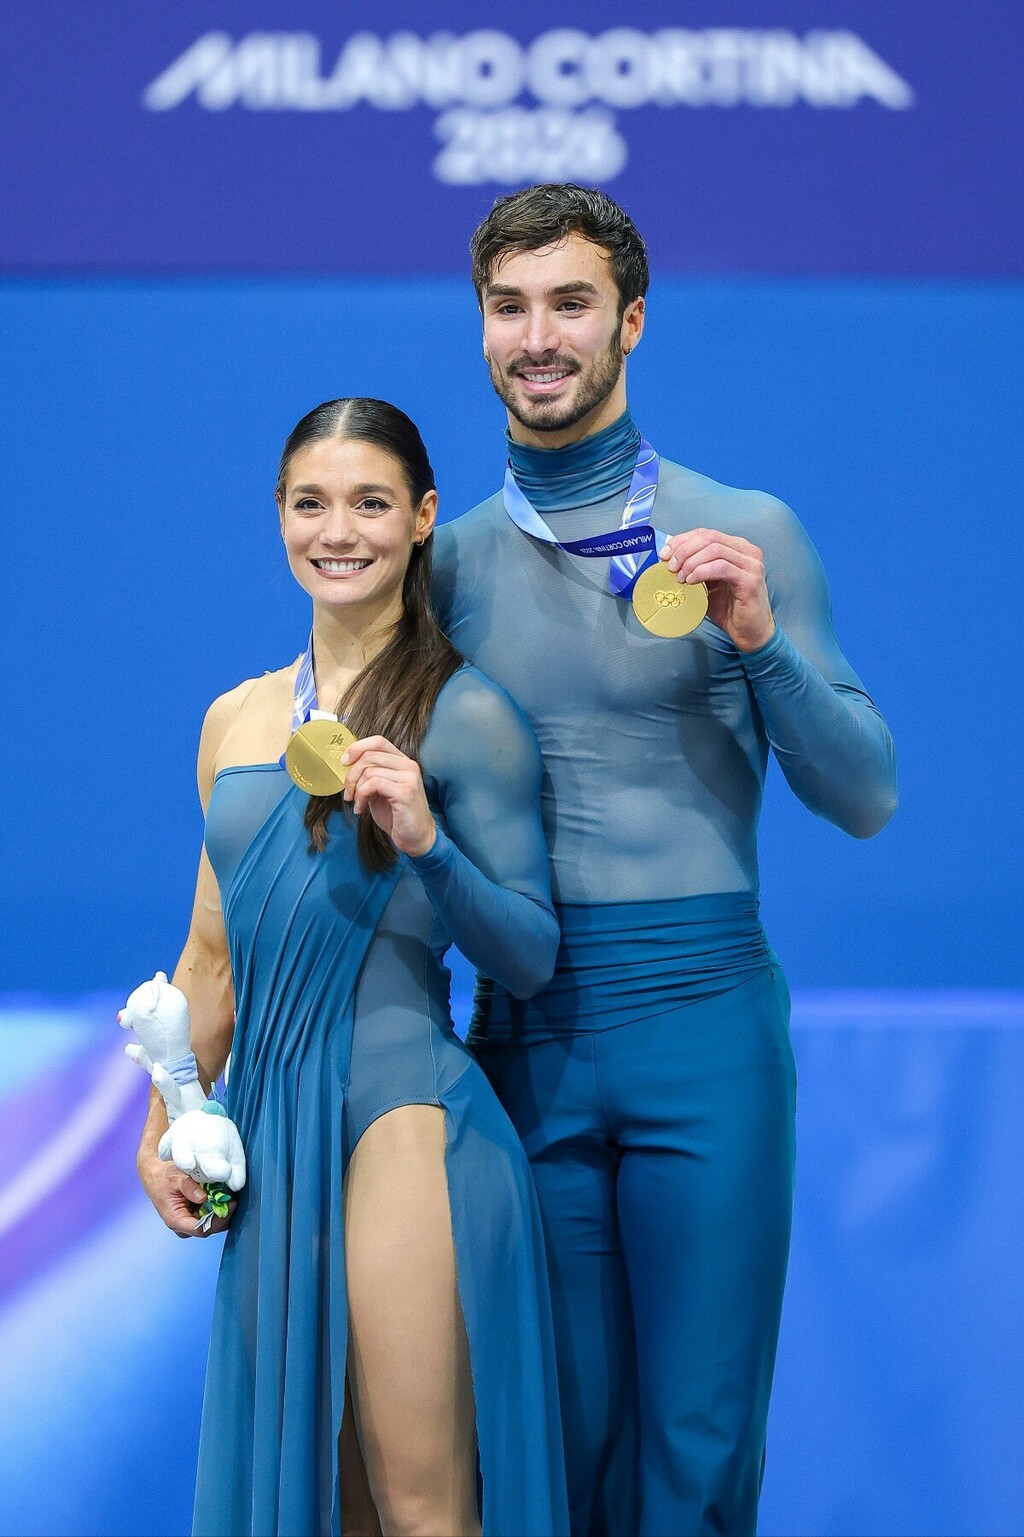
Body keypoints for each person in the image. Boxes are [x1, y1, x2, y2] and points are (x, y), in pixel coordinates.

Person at [431, 184, 898, 1537]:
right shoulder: (443, 566)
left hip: (705, 1033)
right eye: (509, 307)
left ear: (630, 321)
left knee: (694, 1463)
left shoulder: (745, 532)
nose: (539, 335)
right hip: (525, 1037)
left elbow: (864, 794)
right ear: (481, 332)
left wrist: (759, 637)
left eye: (570, 303)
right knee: (551, 1457)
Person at [135, 398, 569, 1537]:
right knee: (323, 1499)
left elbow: (528, 954)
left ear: (422, 519)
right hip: (272, 1132)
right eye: (311, 503)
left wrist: (429, 842)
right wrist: (160, 1123)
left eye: (372, 503)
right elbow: (211, 959)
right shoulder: (232, 719)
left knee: (418, 1501)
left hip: (405, 1120)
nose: (341, 530)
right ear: (278, 516)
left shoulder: (468, 716)